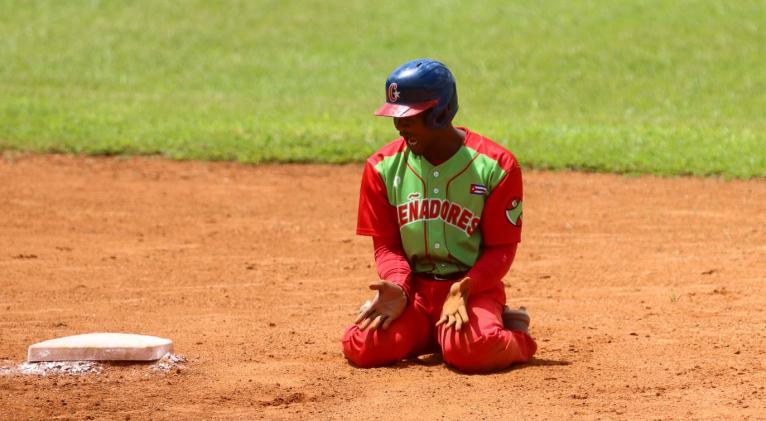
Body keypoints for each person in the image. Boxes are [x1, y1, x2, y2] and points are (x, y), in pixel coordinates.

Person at [341, 58, 537, 373]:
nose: (401, 126)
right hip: (415, 294)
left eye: (411, 117)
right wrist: (399, 286)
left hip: (471, 290)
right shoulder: (381, 167)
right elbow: (387, 245)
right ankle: (432, 334)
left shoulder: (496, 166)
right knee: (363, 346)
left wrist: (465, 288)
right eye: (396, 117)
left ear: (442, 112)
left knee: (475, 351)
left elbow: (501, 249)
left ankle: (515, 332)